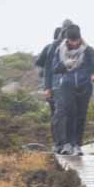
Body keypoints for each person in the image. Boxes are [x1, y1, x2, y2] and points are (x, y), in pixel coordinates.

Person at [44, 24, 94, 156]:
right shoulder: (59, 50)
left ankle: (77, 145)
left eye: (76, 40)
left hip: (84, 86)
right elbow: (54, 68)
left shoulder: (88, 50)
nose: (74, 43)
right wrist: (64, 64)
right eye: (71, 41)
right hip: (67, 86)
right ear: (67, 39)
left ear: (80, 38)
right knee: (69, 114)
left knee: (81, 115)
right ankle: (67, 144)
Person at [35, 20, 73, 152]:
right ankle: (59, 143)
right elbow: (40, 64)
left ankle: (65, 144)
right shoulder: (50, 47)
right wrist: (45, 81)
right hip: (54, 86)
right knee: (57, 116)